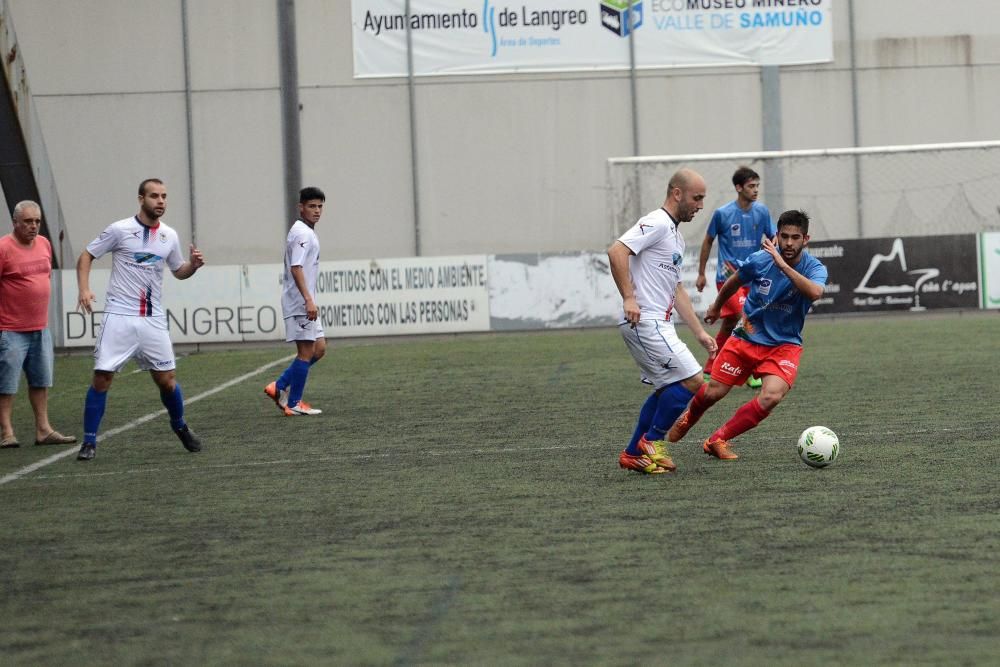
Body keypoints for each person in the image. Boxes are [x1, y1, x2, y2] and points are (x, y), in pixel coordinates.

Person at [667, 209, 827, 460]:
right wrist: (717, 306)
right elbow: (734, 281)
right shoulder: (759, 260)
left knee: (771, 396)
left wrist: (782, 265)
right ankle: (689, 417)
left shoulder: (814, 267)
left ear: (805, 240)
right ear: (777, 235)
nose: (788, 243)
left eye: (795, 238)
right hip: (746, 338)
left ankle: (718, 439)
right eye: (784, 236)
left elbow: (815, 293)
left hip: (784, 345)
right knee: (713, 393)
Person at [75, 178, 205, 461]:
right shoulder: (120, 230)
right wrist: (84, 289)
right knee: (102, 378)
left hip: (152, 318)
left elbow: (178, 271)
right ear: (141, 199)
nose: (161, 201)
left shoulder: (169, 235)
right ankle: (89, 442)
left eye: (164, 196)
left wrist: (192, 267)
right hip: (119, 315)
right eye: (155, 196)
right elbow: (86, 256)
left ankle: (180, 426)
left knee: (167, 380)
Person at [609, 168, 718, 474]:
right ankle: (651, 439)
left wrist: (698, 332)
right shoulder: (656, 222)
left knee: (665, 390)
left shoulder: (676, 237)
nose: (699, 205)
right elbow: (617, 251)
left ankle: (632, 453)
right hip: (646, 320)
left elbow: (677, 288)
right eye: (697, 198)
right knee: (695, 380)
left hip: (659, 323)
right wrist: (629, 297)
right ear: (677, 193)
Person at [0, 201, 77, 449]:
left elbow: (44, 278)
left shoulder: (44, 244)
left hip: (40, 327)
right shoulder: (3, 248)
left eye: (37, 221)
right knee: (6, 384)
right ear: (15, 223)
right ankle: (6, 432)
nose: (33, 226)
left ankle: (43, 429)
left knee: (41, 381)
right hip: (10, 329)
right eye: (28, 222)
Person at [696, 166, 775, 388]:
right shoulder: (723, 213)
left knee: (730, 323)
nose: (756, 190)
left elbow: (774, 237)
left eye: (757, 185)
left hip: (754, 277)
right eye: (751, 186)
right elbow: (708, 241)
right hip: (729, 277)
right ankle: (751, 371)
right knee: (745, 316)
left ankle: (711, 368)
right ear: (739, 188)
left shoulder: (762, 212)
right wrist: (701, 273)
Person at [264, 186, 327, 416]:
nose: (317, 210)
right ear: (301, 207)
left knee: (319, 349)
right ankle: (293, 403)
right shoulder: (301, 233)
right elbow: (296, 267)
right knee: (306, 352)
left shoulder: (307, 231)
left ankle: (279, 386)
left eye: (320, 206)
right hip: (299, 302)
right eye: (312, 206)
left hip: (304, 301)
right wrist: (308, 299)